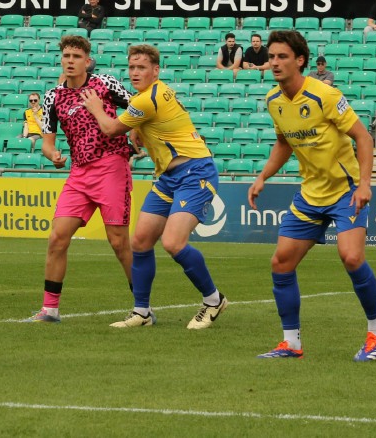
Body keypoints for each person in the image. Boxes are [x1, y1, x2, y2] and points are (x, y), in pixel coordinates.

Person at [249, 30, 376, 361]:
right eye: (272, 56)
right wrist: (263, 176)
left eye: (282, 56)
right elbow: (284, 143)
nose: (275, 62)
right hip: (310, 194)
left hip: (345, 191)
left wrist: (365, 184)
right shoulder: (273, 101)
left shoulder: (324, 94)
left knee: (351, 257)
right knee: (281, 263)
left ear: (300, 60)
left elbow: (363, 137)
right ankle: (291, 343)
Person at [81, 43, 227, 330]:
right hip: (169, 177)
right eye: (132, 67)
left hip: (195, 172)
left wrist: (96, 108)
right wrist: (138, 128)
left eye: (142, 67)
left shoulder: (146, 100)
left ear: (155, 70)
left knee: (173, 243)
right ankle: (142, 312)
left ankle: (214, 300)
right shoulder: (151, 94)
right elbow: (148, 117)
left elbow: (110, 129)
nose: (135, 72)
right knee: (140, 241)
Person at [25, 34, 135, 323]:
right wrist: (53, 155)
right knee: (57, 237)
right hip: (79, 172)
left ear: (87, 61)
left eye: (76, 57)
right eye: (66, 56)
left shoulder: (105, 83)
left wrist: (136, 134)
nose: (70, 61)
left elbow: (138, 108)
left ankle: (142, 306)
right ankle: (49, 309)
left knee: (118, 242)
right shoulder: (52, 96)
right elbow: (47, 143)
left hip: (112, 165)